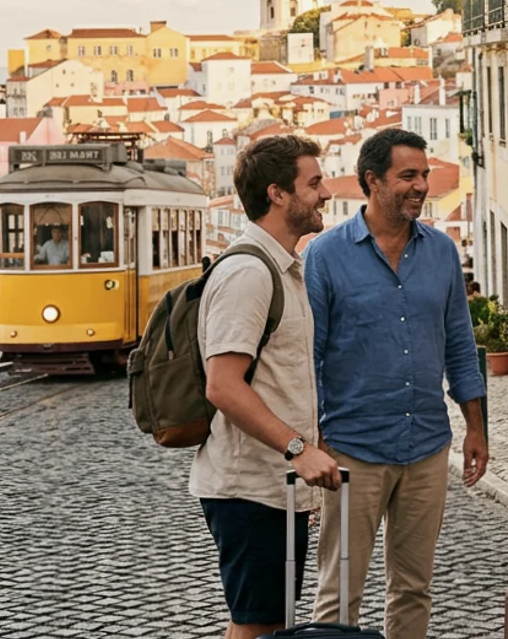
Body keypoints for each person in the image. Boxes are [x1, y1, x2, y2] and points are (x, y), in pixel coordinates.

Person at [305, 128, 488, 638]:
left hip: (427, 445)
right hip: (351, 450)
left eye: (424, 175)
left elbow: (459, 344)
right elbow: (309, 359)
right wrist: (314, 441)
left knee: (413, 589)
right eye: (408, 175)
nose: (421, 186)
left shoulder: (442, 253)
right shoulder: (325, 255)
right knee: (340, 593)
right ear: (372, 181)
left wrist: (476, 428)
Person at [190, 134, 340, 639]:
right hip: (249, 488)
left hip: (274, 488)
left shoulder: (283, 267)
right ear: (278, 194)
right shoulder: (249, 274)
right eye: (314, 182)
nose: (326, 192)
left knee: (269, 624)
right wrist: (297, 448)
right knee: (257, 627)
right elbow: (224, 386)